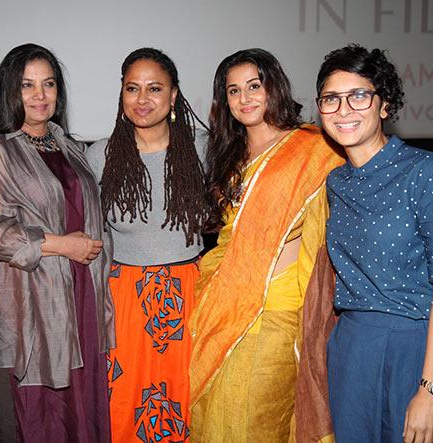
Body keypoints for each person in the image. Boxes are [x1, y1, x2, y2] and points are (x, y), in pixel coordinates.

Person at [317, 44, 433, 442]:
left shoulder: (428, 172)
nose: (343, 110)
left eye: (358, 96)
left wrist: (431, 389)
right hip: (353, 349)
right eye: (330, 99)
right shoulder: (337, 182)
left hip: (421, 348)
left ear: (384, 105)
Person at [189, 48, 344, 442]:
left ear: (273, 86)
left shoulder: (313, 149)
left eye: (254, 86)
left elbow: (328, 234)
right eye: (234, 90)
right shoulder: (232, 156)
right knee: (215, 415)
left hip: (276, 311)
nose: (245, 98)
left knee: (256, 421)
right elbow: (228, 236)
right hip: (224, 305)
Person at [0, 43, 115, 443]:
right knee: (33, 413)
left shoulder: (69, 147)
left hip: (77, 293)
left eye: (48, 84)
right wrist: (61, 246)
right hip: (26, 301)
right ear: (9, 92)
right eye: (27, 85)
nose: (39, 95)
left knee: (76, 408)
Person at [85, 47, 208, 442]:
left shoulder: (204, 149)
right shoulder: (99, 155)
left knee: (187, 400)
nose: (142, 99)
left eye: (154, 88)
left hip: (189, 296)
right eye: (132, 88)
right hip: (124, 300)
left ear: (174, 95)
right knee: (122, 405)